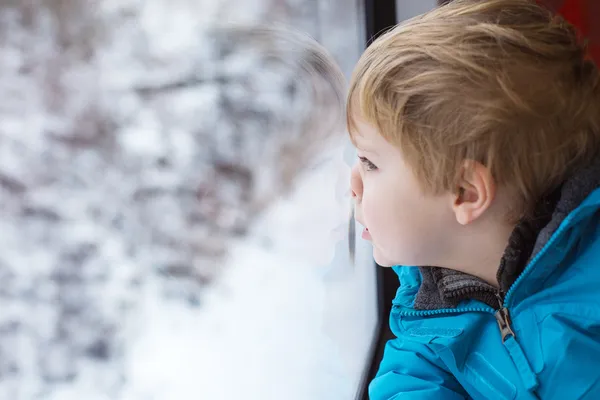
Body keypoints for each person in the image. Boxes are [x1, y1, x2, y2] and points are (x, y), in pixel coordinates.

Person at [347, 0, 600, 398]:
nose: (353, 184)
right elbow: (410, 383)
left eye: (370, 163)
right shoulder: (429, 311)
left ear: (466, 192)